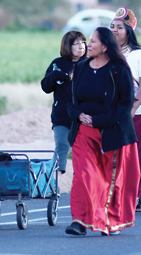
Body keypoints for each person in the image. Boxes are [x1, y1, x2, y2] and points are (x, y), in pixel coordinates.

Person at [65, 27, 139, 236]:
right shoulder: (80, 68)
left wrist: (98, 120)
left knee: (110, 178)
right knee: (84, 174)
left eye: (93, 42)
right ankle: (79, 221)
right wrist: (79, 116)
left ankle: (108, 219)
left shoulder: (119, 69)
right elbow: (71, 101)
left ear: (105, 46)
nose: (88, 45)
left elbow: (125, 106)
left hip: (111, 132)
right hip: (83, 132)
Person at [110, 7, 141, 212]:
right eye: (112, 26)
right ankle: (118, 193)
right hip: (111, 114)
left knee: (138, 155)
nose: (114, 30)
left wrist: (133, 106)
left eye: (119, 27)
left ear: (129, 30)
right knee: (114, 156)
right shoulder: (106, 54)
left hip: (136, 113)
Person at [41, 31, 87, 174]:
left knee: (83, 150)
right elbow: (45, 87)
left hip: (83, 115)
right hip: (61, 114)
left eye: (83, 43)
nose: (81, 46)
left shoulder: (88, 64)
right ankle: (55, 182)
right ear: (68, 46)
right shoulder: (58, 63)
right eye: (77, 43)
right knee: (61, 146)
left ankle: (82, 181)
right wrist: (53, 77)